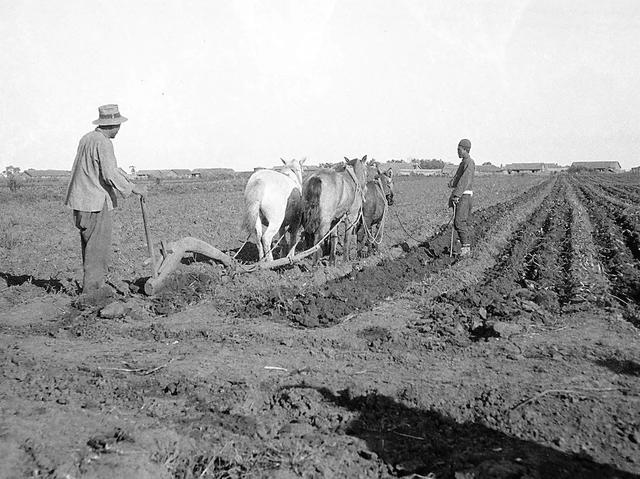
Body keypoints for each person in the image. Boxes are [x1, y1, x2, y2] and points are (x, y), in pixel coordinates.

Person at [65, 104, 147, 297]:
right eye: (118, 125)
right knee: (97, 247)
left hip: (81, 201)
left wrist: (128, 179)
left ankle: (91, 287)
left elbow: (105, 169)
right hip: (96, 201)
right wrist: (133, 189)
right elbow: (109, 173)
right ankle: (93, 293)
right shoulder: (104, 142)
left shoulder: (87, 139)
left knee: (89, 244)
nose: (119, 130)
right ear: (113, 125)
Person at [448, 138, 475, 256]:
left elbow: (464, 181)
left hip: (464, 196)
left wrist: (457, 195)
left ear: (465, 150)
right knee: (459, 222)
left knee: (459, 221)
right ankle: (463, 244)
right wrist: (452, 183)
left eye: (459, 149)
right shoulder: (464, 162)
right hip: (462, 195)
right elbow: (458, 178)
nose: (457, 152)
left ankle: (466, 248)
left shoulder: (469, 162)